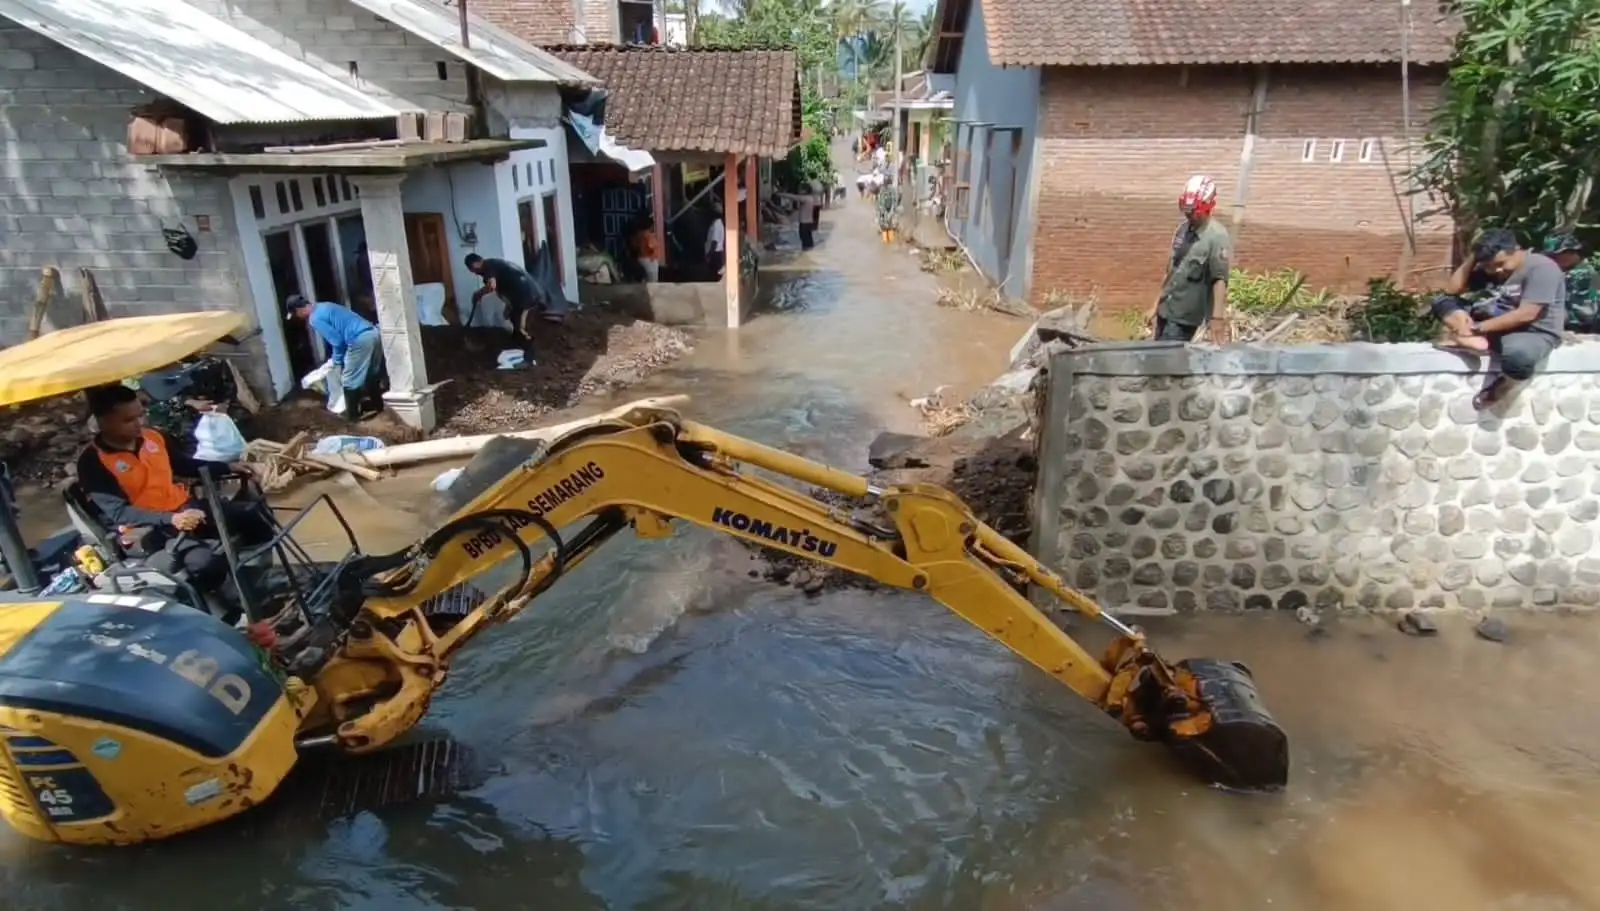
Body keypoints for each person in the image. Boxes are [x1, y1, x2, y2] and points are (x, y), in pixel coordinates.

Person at [76, 384, 274, 615]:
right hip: (149, 531)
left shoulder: (154, 437)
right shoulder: (93, 462)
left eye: (141, 414)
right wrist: (171, 519)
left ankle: (258, 584)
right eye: (129, 420)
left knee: (255, 518)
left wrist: (227, 466)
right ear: (104, 422)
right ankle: (225, 611)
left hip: (186, 509)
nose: (140, 423)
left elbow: (184, 465)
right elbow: (120, 513)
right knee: (205, 563)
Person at [1433, 228, 1565, 408]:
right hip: (1489, 325)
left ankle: (1503, 385)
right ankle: (1466, 337)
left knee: (1519, 360)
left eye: (1501, 263)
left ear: (1517, 249)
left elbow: (1528, 313)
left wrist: (1478, 328)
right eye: (1490, 265)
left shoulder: (1541, 267)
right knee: (1442, 301)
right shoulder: (1491, 268)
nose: (1497, 269)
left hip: (1531, 331)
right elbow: (1452, 290)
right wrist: (1474, 255)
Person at [1147, 174, 1232, 344]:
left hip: (1184, 318)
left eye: (1194, 212)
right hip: (1166, 310)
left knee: (1168, 361)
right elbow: (1171, 271)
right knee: (1157, 356)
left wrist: (1217, 318)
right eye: (1186, 211)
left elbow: (1219, 280)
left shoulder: (1217, 237)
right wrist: (1155, 306)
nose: (1189, 215)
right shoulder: (1183, 230)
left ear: (1207, 207)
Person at [284, 294, 383, 421]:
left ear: (299, 310)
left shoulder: (315, 318)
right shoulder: (325, 305)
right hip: (373, 333)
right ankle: (379, 407)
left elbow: (337, 342)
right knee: (370, 373)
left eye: (296, 315)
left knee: (348, 380)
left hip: (359, 340)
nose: (299, 318)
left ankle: (353, 418)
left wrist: (337, 362)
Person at [464, 253, 543, 351]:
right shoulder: (494, 265)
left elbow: (492, 286)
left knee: (519, 327)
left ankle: (529, 353)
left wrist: (479, 293)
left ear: (478, 262)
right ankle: (517, 346)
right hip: (522, 295)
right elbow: (505, 287)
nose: (474, 273)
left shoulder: (488, 266)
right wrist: (510, 306)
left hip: (526, 296)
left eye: (473, 268)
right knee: (513, 319)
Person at [1543, 233, 1597, 333]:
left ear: (1571, 252)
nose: (1553, 260)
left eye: (1556, 256)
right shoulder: (1569, 270)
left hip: (1583, 324)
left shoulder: (1582, 272)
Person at [777, 186, 821, 250]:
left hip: (804, 224)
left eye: (801, 189)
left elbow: (793, 197)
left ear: (805, 191)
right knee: (809, 242)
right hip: (809, 223)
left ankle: (806, 255)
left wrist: (781, 194)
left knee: (804, 242)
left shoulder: (804, 198)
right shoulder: (812, 198)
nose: (799, 190)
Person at [633, 216, 663, 282]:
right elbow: (651, 246)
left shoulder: (637, 235)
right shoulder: (648, 236)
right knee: (652, 281)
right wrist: (654, 256)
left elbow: (634, 246)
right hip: (649, 260)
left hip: (641, 259)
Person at [876, 173, 901, 244]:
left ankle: (887, 243)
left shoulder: (889, 189)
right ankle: (889, 244)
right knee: (887, 227)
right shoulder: (885, 189)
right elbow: (881, 202)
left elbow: (894, 201)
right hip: (885, 210)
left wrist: (889, 212)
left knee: (887, 227)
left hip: (888, 210)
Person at [704, 202, 726, 280]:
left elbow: (714, 242)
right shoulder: (717, 223)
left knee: (714, 275)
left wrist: (709, 255)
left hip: (715, 254)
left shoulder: (716, 224)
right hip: (716, 253)